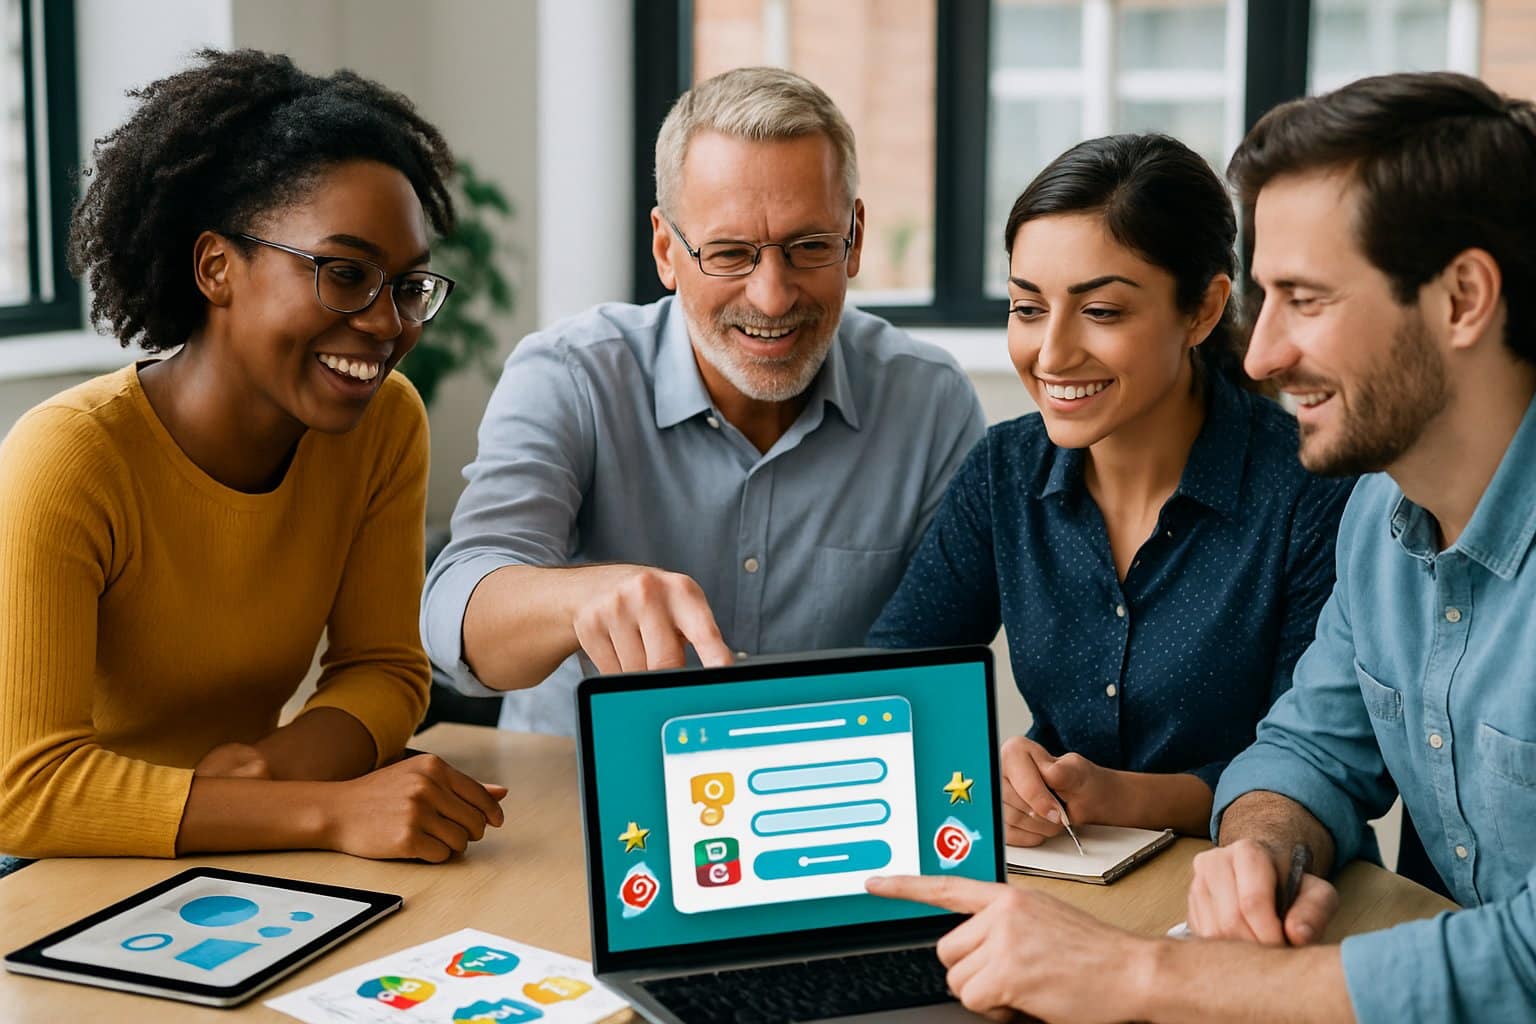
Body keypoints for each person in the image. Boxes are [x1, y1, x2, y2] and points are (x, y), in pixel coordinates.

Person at [868, 71, 1536, 1022]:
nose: (1260, 356)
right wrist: (1264, 844)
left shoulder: (1311, 489)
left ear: (1463, 297)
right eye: (1264, 300)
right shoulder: (1383, 523)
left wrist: (1141, 976)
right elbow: (1312, 749)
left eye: (1304, 299)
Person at [0, 49, 505, 865]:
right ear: (216, 267)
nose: (385, 324)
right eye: (345, 273)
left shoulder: (381, 425)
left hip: (237, 853)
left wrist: (271, 771)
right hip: (50, 866)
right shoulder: (69, 459)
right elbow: (25, 791)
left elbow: (384, 669)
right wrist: (325, 813)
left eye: (407, 285)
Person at [421, 67, 985, 735]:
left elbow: (943, 674)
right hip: (577, 796)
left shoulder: (931, 404)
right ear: (666, 249)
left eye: (808, 247)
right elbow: (457, 617)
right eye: (729, 253)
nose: (772, 297)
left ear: (854, 238)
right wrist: (582, 597)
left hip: (825, 797)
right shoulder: (570, 376)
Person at [868, 133, 1352, 843]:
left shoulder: (1310, 493)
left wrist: (1115, 797)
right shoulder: (1004, 471)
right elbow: (895, 691)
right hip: (1061, 875)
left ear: (1204, 310)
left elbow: (1316, 765)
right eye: (1029, 308)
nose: (1053, 353)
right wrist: (981, 773)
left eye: (1101, 311)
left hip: (1248, 879)